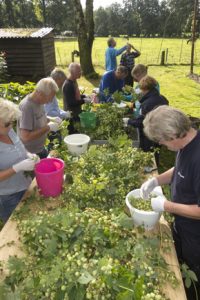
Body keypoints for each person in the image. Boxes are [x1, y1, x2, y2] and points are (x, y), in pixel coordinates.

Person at [140, 105, 200, 300]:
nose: (163, 146)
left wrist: (166, 206)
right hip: (183, 226)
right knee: (179, 260)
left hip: (196, 235)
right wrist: (156, 180)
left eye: (162, 141)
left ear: (173, 135)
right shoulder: (187, 145)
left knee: (193, 277)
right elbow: (180, 169)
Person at [0, 99, 39, 223]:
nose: (11, 126)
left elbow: (19, 147)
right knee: (15, 228)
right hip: (9, 195)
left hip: (26, 185)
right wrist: (17, 167)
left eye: (12, 122)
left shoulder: (8, 131)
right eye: (7, 124)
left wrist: (28, 154)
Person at [123, 75, 168, 166]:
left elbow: (142, 122)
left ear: (145, 89)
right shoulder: (162, 98)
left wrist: (128, 121)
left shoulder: (147, 104)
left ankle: (149, 169)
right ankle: (155, 165)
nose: (140, 92)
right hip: (161, 131)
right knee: (156, 150)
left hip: (150, 134)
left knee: (148, 152)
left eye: (141, 89)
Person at [18, 77, 60, 159]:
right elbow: (25, 137)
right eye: (49, 98)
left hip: (40, 148)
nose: (50, 101)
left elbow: (38, 117)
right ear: (40, 93)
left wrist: (51, 119)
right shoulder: (27, 107)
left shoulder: (39, 101)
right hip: (31, 154)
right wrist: (48, 127)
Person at [44, 68, 71, 150]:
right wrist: (63, 115)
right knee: (54, 145)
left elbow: (55, 107)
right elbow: (48, 112)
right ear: (57, 79)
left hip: (55, 121)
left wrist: (64, 112)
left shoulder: (52, 88)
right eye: (62, 81)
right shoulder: (48, 89)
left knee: (58, 142)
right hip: (50, 124)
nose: (62, 84)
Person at [62, 63, 91, 133]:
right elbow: (71, 103)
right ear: (72, 72)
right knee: (74, 136)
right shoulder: (68, 85)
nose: (80, 73)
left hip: (76, 113)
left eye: (80, 70)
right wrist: (84, 101)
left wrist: (84, 96)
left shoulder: (74, 81)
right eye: (79, 71)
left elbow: (75, 96)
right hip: (71, 116)